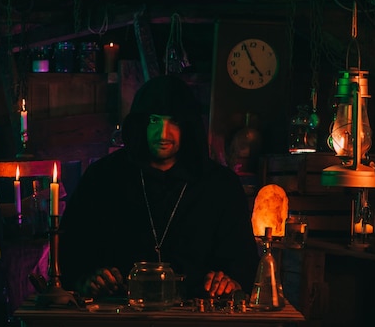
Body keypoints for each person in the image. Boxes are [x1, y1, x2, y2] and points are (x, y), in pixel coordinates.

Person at [58, 74, 258, 301]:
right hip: (116, 323)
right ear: (140, 123)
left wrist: (228, 280)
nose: (163, 134)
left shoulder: (220, 185)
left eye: (173, 121)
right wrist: (89, 278)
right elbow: (71, 249)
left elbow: (243, 259)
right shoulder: (103, 177)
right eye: (154, 120)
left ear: (187, 126)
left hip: (200, 325)